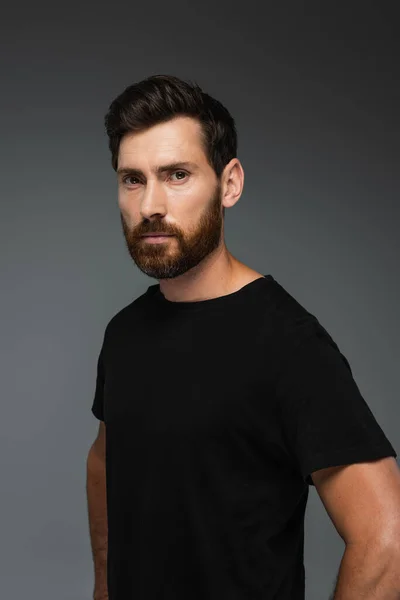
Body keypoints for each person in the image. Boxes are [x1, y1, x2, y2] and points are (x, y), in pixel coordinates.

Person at [86, 74, 397, 600]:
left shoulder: (289, 345)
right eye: (133, 179)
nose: (149, 206)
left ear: (229, 184)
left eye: (177, 175)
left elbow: (385, 538)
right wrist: (104, 587)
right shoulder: (125, 333)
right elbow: (106, 460)